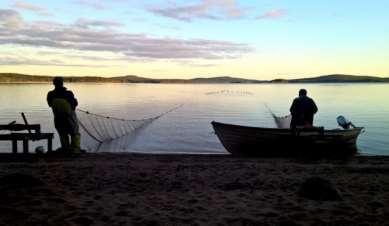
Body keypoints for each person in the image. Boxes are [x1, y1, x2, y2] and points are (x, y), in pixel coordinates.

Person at [47, 77, 81, 152]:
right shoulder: (69, 93)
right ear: (62, 83)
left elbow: (50, 104)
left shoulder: (50, 94)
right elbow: (74, 104)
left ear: (53, 83)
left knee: (63, 134)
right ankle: (75, 149)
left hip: (58, 118)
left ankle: (65, 149)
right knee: (74, 133)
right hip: (70, 117)